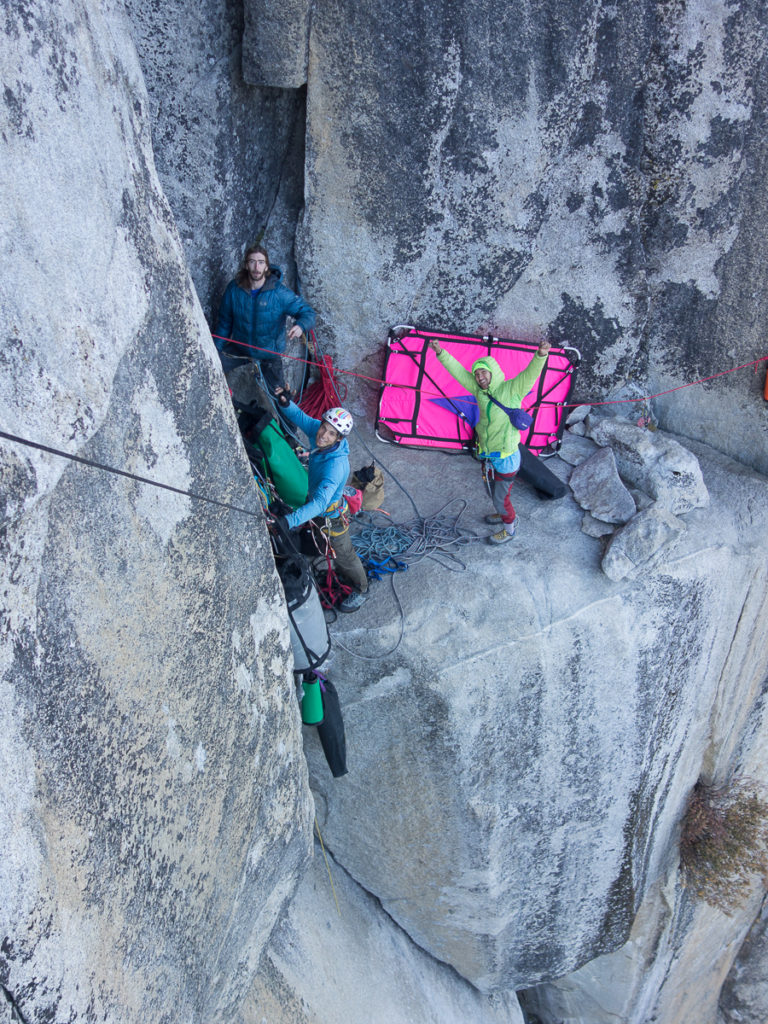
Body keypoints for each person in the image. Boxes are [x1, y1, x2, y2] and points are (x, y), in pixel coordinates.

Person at [428, 338, 551, 545]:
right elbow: (457, 371)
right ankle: (502, 511)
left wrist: (540, 355)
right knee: (493, 491)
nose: (480, 377)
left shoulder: (512, 390)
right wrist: (440, 352)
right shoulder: (479, 391)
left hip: (506, 458)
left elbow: (531, 374)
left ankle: (510, 528)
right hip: (489, 453)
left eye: (484, 372)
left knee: (500, 497)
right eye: (476, 374)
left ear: (493, 372)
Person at [274, 394, 369, 612]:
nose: (323, 435)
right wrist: (285, 402)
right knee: (317, 534)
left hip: (331, 515)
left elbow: (319, 504)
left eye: (331, 433)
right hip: (319, 507)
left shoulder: (335, 467)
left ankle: (362, 589)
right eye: (324, 428)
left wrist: (289, 521)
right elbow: (301, 417)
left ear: (339, 439)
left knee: (344, 555)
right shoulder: (320, 432)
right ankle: (318, 548)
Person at [215, 244, 315, 397]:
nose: (256, 267)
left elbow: (307, 312)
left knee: (281, 398)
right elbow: (224, 323)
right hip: (240, 348)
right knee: (211, 367)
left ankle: (284, 419)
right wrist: (215, 351)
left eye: (261, 262)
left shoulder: (279, 293)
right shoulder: (234, 289)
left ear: (266, 266)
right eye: (252, 261)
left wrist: (301, 326)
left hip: (269, 354)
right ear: (246, 265)